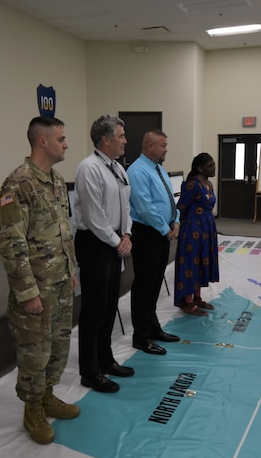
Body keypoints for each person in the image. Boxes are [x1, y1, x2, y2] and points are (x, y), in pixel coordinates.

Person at [0, 116, 79, 444]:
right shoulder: (18, 184)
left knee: (58, 345)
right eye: (61, 138)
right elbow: (11, 243)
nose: (66, 143)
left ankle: (47, 394)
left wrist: (72, 272)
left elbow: (64, 233)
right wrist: (27, 292)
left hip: (60, 282)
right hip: (36, 288)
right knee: (35, 351)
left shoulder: (58, 181)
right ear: (42, 142)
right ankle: (32, 407)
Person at [73, 115, 134, 393]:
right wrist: (116, 241)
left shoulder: (117, 168)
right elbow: (93, 215)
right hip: (97, 244)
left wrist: (127, 234)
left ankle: (106, 360)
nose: (124, 141)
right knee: (94, 309)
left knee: (110, 305)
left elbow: (126, 206)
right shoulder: (89, 168)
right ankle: (90, 370)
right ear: (106, 139)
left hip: (114, 242)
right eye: (120, 136)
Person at [127, 130, 181, 355]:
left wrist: (176, 220)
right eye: (163, 145)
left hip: (162, 233)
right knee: (144, 286)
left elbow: (170, 198)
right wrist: (164, 228)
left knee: (156, 282)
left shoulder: (158, 168)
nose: (166, 149)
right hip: (148, 234)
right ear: (150, 146)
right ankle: (141, 336)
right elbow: (144, 206)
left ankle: (153, 327)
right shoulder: (137, 171)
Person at [174, 153, 219, 316]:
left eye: (214, 164)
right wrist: (178, 225)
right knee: (191, 264)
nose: (214, 168)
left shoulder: (209, 184)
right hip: (192, 230)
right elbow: (181, 206)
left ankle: (198, 297)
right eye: (210, 166)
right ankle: (188, 302)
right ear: (200, 168)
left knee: (202, 261)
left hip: (207, 229)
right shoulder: (192, 184)